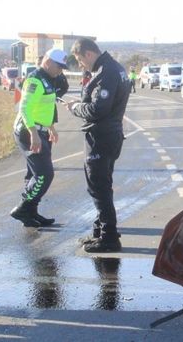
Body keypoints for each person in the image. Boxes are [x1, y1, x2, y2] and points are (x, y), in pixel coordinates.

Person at [64, 38, 131, 253]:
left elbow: (97, 110)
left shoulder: (106, 72)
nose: (81, 65)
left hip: (102, 136)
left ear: (89, 54)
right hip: (109, 135)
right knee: (101, 185)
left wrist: (75, 107)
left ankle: (108, 236)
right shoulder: (113, 68)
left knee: (99, 187)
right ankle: (99, 231)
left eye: (80, 60)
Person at [10, 48, 68, 227]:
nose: (61, 70)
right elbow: (25, 108)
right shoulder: (35, 79)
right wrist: (34, 133)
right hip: (29, 130)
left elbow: (46, 107)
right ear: (48, 62)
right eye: (59, 66)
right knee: (45, 174)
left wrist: (51, 127)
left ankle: (30, 212)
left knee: (35, 174)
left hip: (41, 129)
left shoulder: (49, 78)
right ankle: (22, 209)